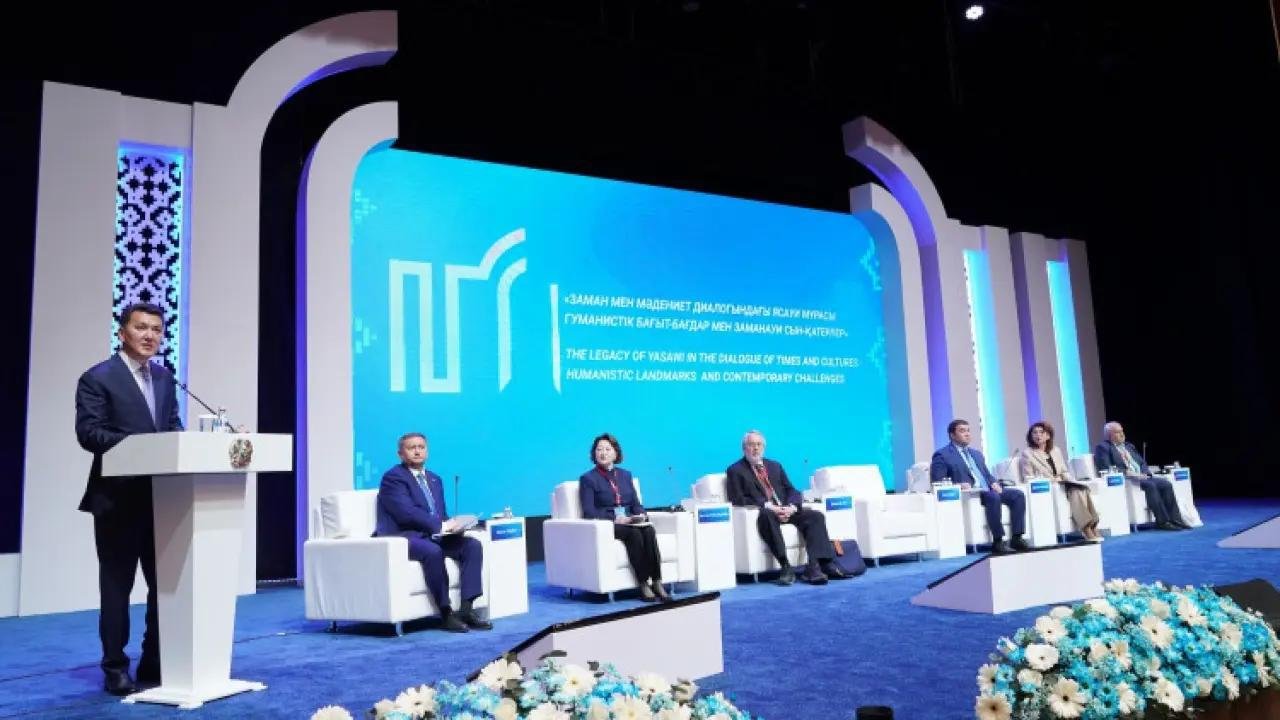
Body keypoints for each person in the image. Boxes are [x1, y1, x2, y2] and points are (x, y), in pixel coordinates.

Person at [75, 301, 184, 695]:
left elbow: (173, 428)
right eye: (141, 327)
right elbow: (90, 434)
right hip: (117, 500)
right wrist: (144, 447)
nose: (149, 335)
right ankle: (115, 667)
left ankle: (154, 658)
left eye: (156, 329)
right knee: (117, 589)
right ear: (122, 332)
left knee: (163, 587)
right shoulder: (98, 378)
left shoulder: (165, 378)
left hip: (163, 499)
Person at [375, 433, 492, 632]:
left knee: (472, 545)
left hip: (433, 533)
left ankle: (466, 610)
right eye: (411, 448)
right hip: (404, 536)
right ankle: (445, 613)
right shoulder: (393, 478)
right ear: (400, 454)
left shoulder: (435, 479)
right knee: (432, 551)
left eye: (421, 447)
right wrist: (440, 526)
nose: (417, 451)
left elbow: (440, 514)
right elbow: (406, 513)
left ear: (427, 451)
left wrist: (454, 527)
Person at [725, 430, 848, 585]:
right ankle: (785, 566)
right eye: (751, 445)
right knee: (766, 515)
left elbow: (791, 490)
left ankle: (814, 566)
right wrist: (769, 506)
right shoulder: (735, 470)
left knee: (816, 516)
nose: (755, 448)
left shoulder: (775, 466)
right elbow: (737, 498)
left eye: (759, 444)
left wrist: (792, 507)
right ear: (744, 448)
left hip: (786, 509)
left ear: (763, 447)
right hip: (767, 512)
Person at [578, 433, 671, 602]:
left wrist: (640, 515)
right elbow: (589, 512)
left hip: (630, 520)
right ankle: (643, 583)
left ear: (615, 453)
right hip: (609, 524)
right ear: (594, 453)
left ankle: (657, 581)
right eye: (599, 449)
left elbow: (635, 503)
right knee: (634, 534)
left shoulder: (625, 475)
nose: (603, 453)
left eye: (607, 449)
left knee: (648, 530)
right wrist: (615, 518)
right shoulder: (588, 479)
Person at [930, 419, 1030, 553]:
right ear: (952, 435)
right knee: (994, 497)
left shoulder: (976, 454)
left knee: (1017, 495)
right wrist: (958, 485)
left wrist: (994, 482)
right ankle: (998, 540)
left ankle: (1017, 537)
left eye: (968, 431)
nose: (967, 434)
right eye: (962, 431)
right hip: (971, 494)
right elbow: (937, 480)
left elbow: (987, 474)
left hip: (987, 489)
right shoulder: (942, 455)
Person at [1092, 421, 1189, 531]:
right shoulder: (1103, 447)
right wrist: (1129, 473)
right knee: (1151, 486)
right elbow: (1106, 467)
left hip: (1142, 476)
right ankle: (1163, 522)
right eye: (1118, 432)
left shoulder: (1129, 446)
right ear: (1109, 435)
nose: (1122, 434)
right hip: (1128, 479)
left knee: (1166, 484)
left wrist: (1145, 473)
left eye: (1122, 431)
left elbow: (1142, 462)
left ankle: (1176, 520)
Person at [1019, 421, 1102, 542]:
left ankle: (1093, 525)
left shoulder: (1055, 450)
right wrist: (1053, 480)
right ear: (1030, 436)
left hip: (1063, 483)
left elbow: (1064, 471)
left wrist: (1069, 479)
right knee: (1077, 492)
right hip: (1049, 487)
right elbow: (1028, 477)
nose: (1038, 435)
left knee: (1082, 489)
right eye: (1034, 433)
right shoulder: (1027, 453)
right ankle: (1087, 528)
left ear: (1048, 436)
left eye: (1041, 432)